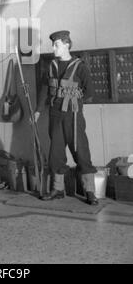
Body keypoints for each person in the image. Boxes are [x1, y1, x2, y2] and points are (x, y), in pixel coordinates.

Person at [35, 30, 99, 205]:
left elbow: (90, 92)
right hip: (55, 115)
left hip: (73, 115)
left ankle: (90, 191)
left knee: (81, 152)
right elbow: (44, 90)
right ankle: (58, 189)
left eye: (56, 45)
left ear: (66, 44)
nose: (53, 48)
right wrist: (39, 110)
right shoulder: (51, 66)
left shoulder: (80, 66)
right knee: (55, 152)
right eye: (53, 45)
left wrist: (75, 99)